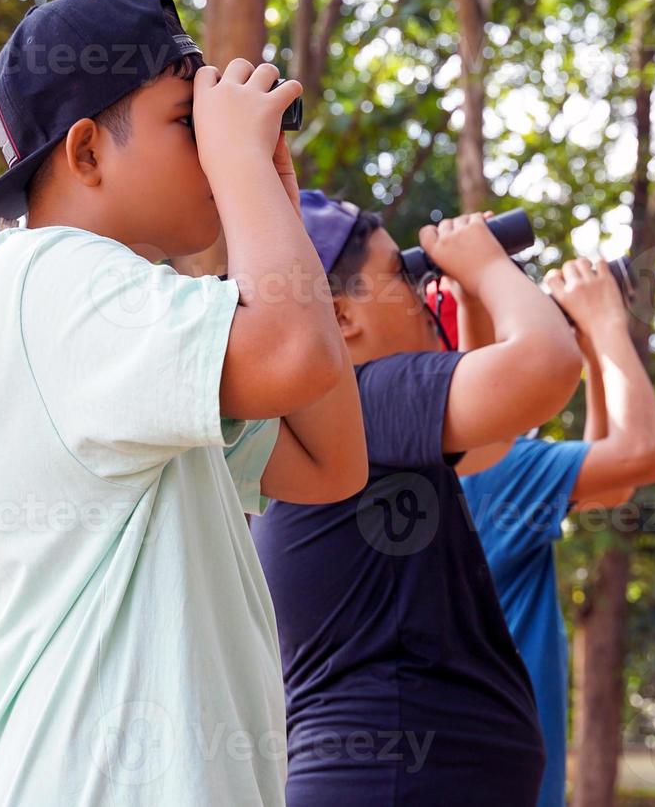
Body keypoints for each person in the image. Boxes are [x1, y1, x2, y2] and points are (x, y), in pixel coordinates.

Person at [0, 0, 366, 806]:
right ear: (89, 153)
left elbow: (330, 462)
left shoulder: (131, 325)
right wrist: (243, 165)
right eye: (189, 123)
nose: (214, 150)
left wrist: (269, 190)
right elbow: (297, 353)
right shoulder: (50, 276)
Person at [249, 194, 584, 805]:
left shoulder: (334, 421)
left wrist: (475, 297)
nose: (421, 291)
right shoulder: (360, 396)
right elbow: (548, 365)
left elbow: (490, 441)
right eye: (401, 276)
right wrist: (485, 265)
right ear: (343, 317)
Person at [457, 257, 655, 807]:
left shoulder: (446, 470)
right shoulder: (497, 471)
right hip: (505, 773)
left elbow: (607, 481)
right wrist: (604, 327)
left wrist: (589, 354)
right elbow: (637, 457)